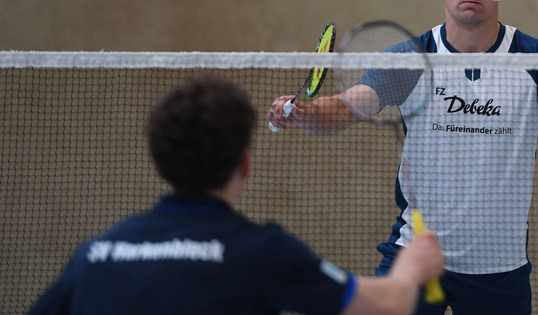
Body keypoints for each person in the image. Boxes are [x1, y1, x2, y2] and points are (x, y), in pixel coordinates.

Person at [268, 0, 538, 314]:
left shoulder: (534, 58)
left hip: (499, 269)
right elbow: (346, 108)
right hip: (417, 256)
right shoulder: (412, 58)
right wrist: (304, 112)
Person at [30, 75, 445, 315]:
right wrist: (411, 267)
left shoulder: (96, 256)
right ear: (244, 165)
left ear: (159, 162)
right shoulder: (263, 253)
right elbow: (384, 306)